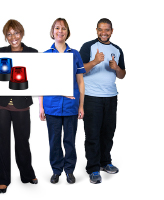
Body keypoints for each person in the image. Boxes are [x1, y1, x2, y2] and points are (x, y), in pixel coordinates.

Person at [79, 18, 126, 184]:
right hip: (91, 97)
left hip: (111, 97)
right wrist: (95, 62)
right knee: (92, 134)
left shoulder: (117, 49)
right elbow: (79, 71)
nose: (104, 33)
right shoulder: (88, 47)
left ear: (111, 31)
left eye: (107, 30)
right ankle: (93, 168)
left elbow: (122, 75)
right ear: (96, 30)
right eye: (101, 29)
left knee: (108, 133)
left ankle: (105, 162)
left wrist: (116, 68)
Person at [39, 18, 85, 184]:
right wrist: (41, 107)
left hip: (71, 105)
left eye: (63, 28)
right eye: (57, 28)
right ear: (53, 31)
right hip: (51, 106)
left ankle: (69, 171)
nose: (60, 31)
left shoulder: (75, 54)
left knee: (70, 141)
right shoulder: (45, 55)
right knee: (54, 141)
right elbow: (41, 83)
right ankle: (56, 170)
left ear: (67, 32)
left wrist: (81, 105)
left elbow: (80, 81)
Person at [0, 19, 38, 194]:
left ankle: (27, 174)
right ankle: (3, 180)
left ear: (22, 33)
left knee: (22, 141)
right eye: (9, 34)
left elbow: (38, 78)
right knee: (2, 142)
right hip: (2, 105)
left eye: (16, 33)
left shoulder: (32, 53)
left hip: (22, 105)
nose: (13, 37)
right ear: (6, 37)